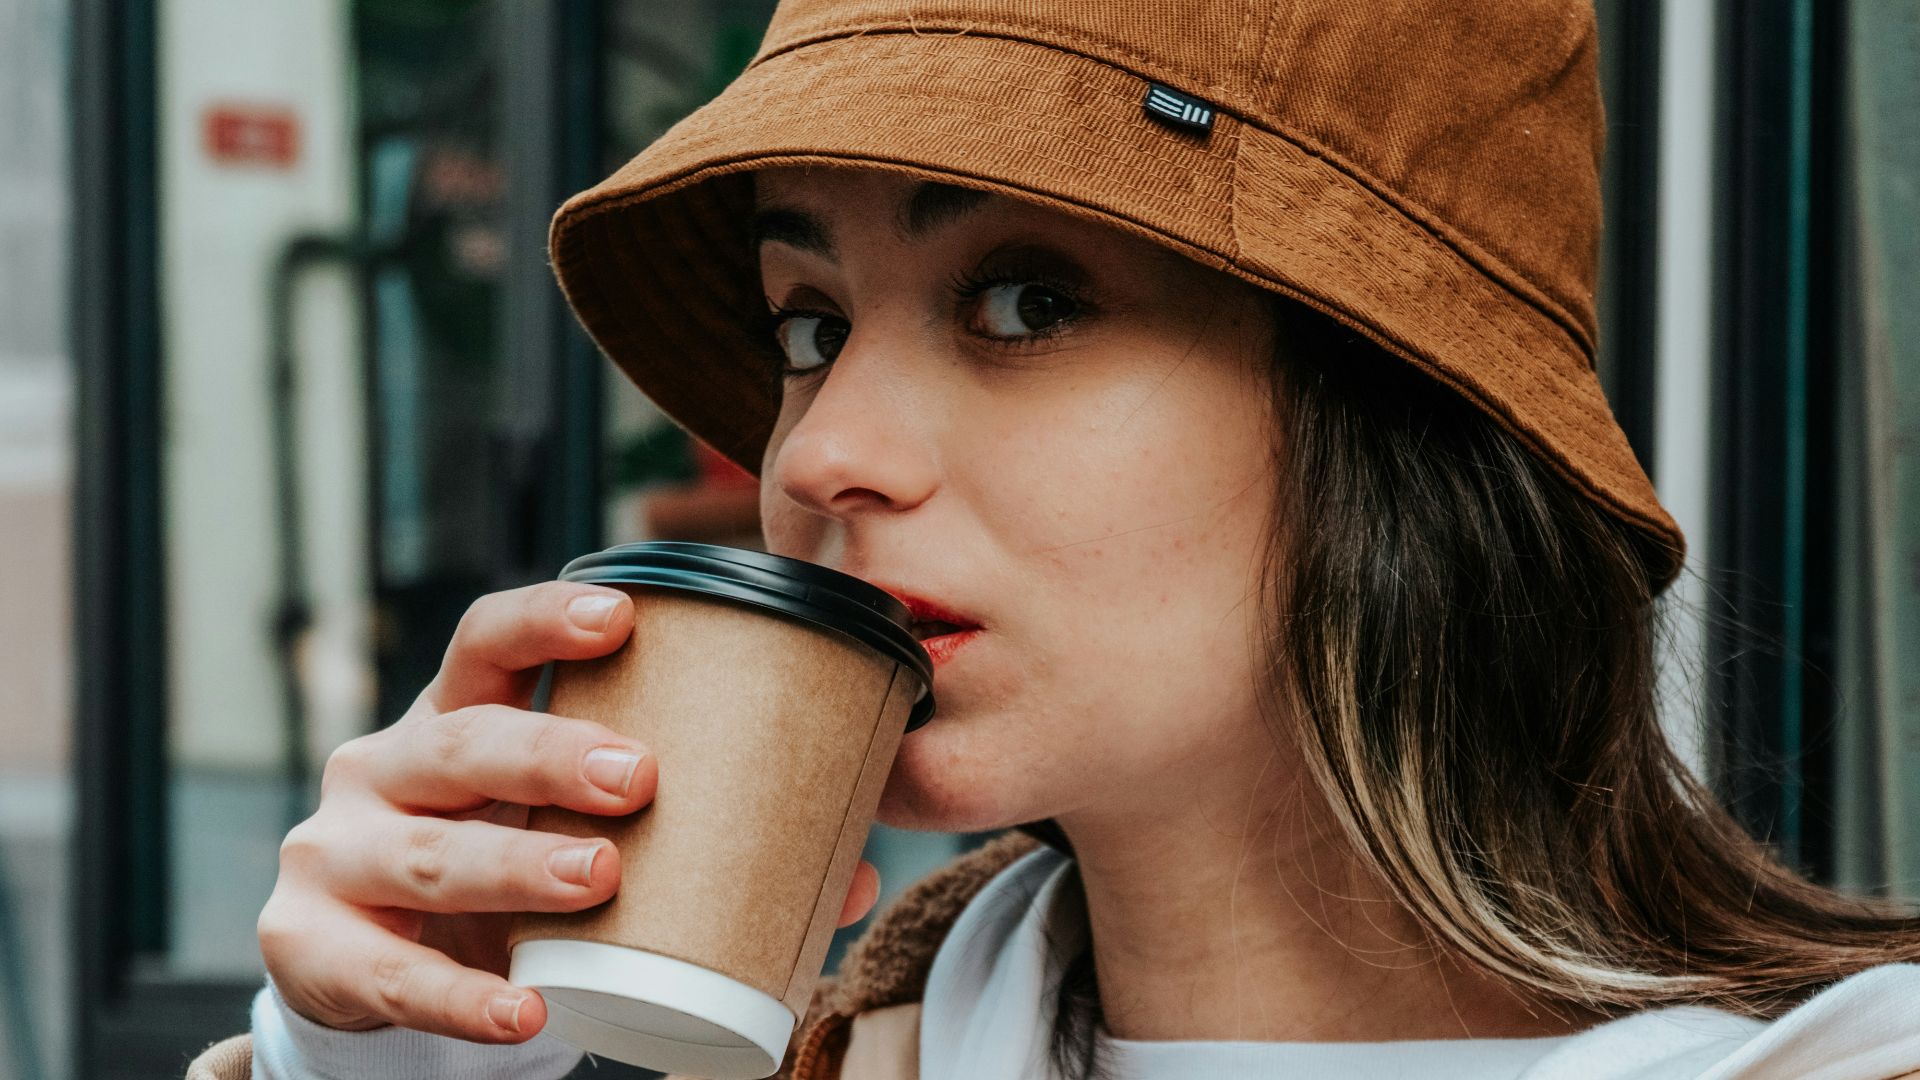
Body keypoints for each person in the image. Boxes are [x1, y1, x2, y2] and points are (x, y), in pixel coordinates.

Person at [189, 1, 1920, 1078]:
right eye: (811, 324)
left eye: (1028, 297)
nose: (825, 455)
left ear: (1396, 410)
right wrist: (377, 1053)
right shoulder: (820, 1049)